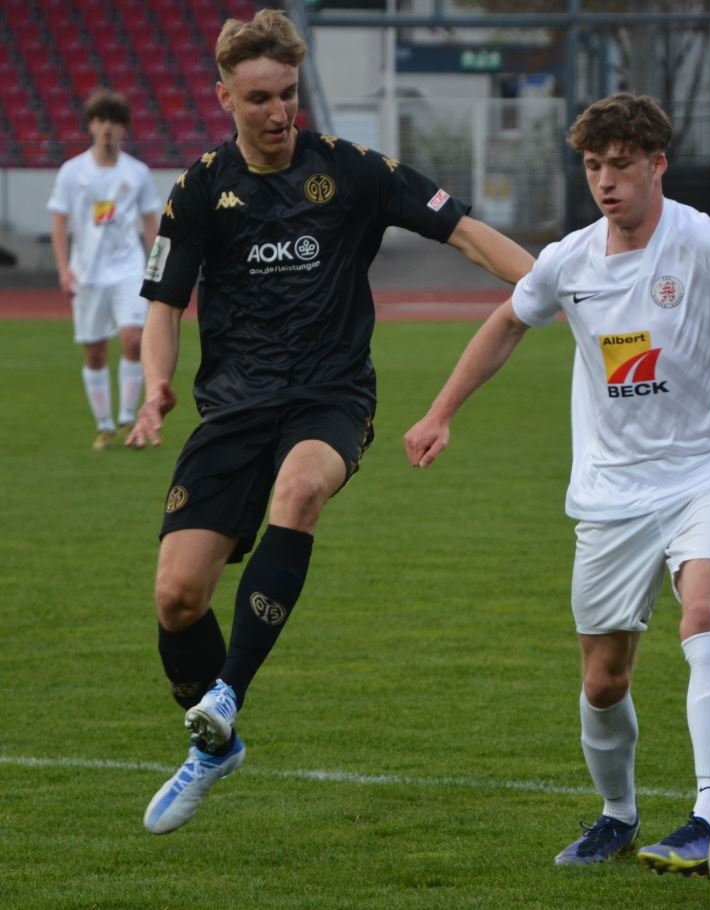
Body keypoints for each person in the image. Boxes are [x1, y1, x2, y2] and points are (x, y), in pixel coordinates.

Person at [404, 93, 710, 875]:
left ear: (656, 165)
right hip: (611, 493)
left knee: (703, 615)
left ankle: (709, 818)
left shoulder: (704, 240)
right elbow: (507, 322)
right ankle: (616, 815)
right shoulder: (568, 259)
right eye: (593, 166)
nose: (605, 180)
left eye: (621, 165)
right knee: (604, 680)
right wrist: (440, 412)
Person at [129, 8, 534, 835]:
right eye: (259, 99)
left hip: (329, 396)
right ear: (224, 99)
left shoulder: (351, 169)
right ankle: (215, 747)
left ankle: (227, 695)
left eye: (288, 94)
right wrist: (155, 387)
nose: (279, 112)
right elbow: (165, 304)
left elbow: (464, 233)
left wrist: (558, 284)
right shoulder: (200, 189)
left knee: (301, 489)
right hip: (234, 408)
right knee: (176, 598)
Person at [48, 89, 161, 450]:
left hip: (129, 269)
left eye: (114, 120)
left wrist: (156, 267)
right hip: (88, 273)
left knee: (133, 339)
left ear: (124, 127)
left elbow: (150, 222)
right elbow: (59, 220)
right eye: (100, 120)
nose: (107, 127)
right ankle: (105, 425)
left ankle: (128, 419)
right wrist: (64, 268)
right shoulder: (73, 172)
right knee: (95, 351)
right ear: (91, 126)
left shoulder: (137, 172)